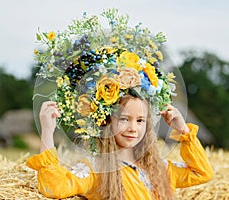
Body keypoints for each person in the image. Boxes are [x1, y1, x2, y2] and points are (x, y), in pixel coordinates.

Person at [26, 9, 213, 200]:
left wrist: (184, 131)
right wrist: (47, 132)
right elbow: (54, 187)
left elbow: (202, 173)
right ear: (107, 121)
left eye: (140, 120)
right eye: (124, 119)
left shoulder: (160, 168)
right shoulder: (94, 169)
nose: (133, 128)